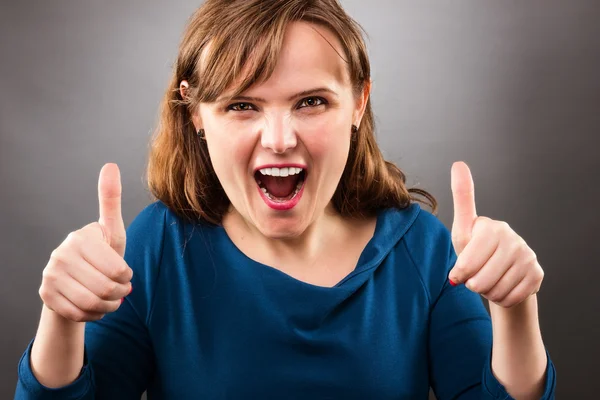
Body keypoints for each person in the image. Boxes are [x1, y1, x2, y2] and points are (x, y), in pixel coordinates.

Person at [15, 0, 556, 399]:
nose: (278, 138)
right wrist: (60, 320)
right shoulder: (157, 249)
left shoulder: (423, 251)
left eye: (311, 101)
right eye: (243, 106)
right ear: (196, 112)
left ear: (358, 103)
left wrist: (514, 311)